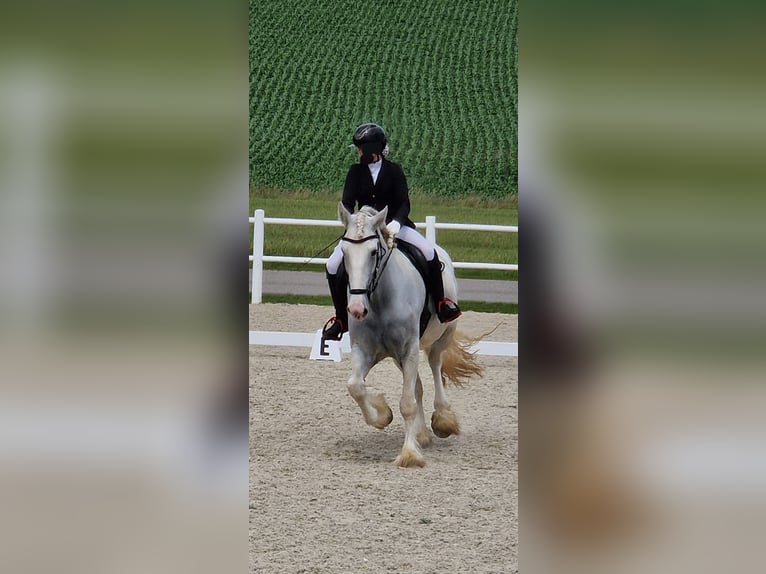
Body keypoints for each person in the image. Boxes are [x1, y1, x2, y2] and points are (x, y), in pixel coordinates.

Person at [322, 123, 461, 340]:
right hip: (364, 229)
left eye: (361, 148)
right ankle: (341, 318)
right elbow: (348, 202)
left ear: (372, 149)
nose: (358, 152)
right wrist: (350, 221)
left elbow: (404, 203)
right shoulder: (355, 172)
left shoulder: (394, 171)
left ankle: (442, 304)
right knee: (332, 265)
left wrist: (396, 222)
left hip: (395, 226)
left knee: (428, 252)